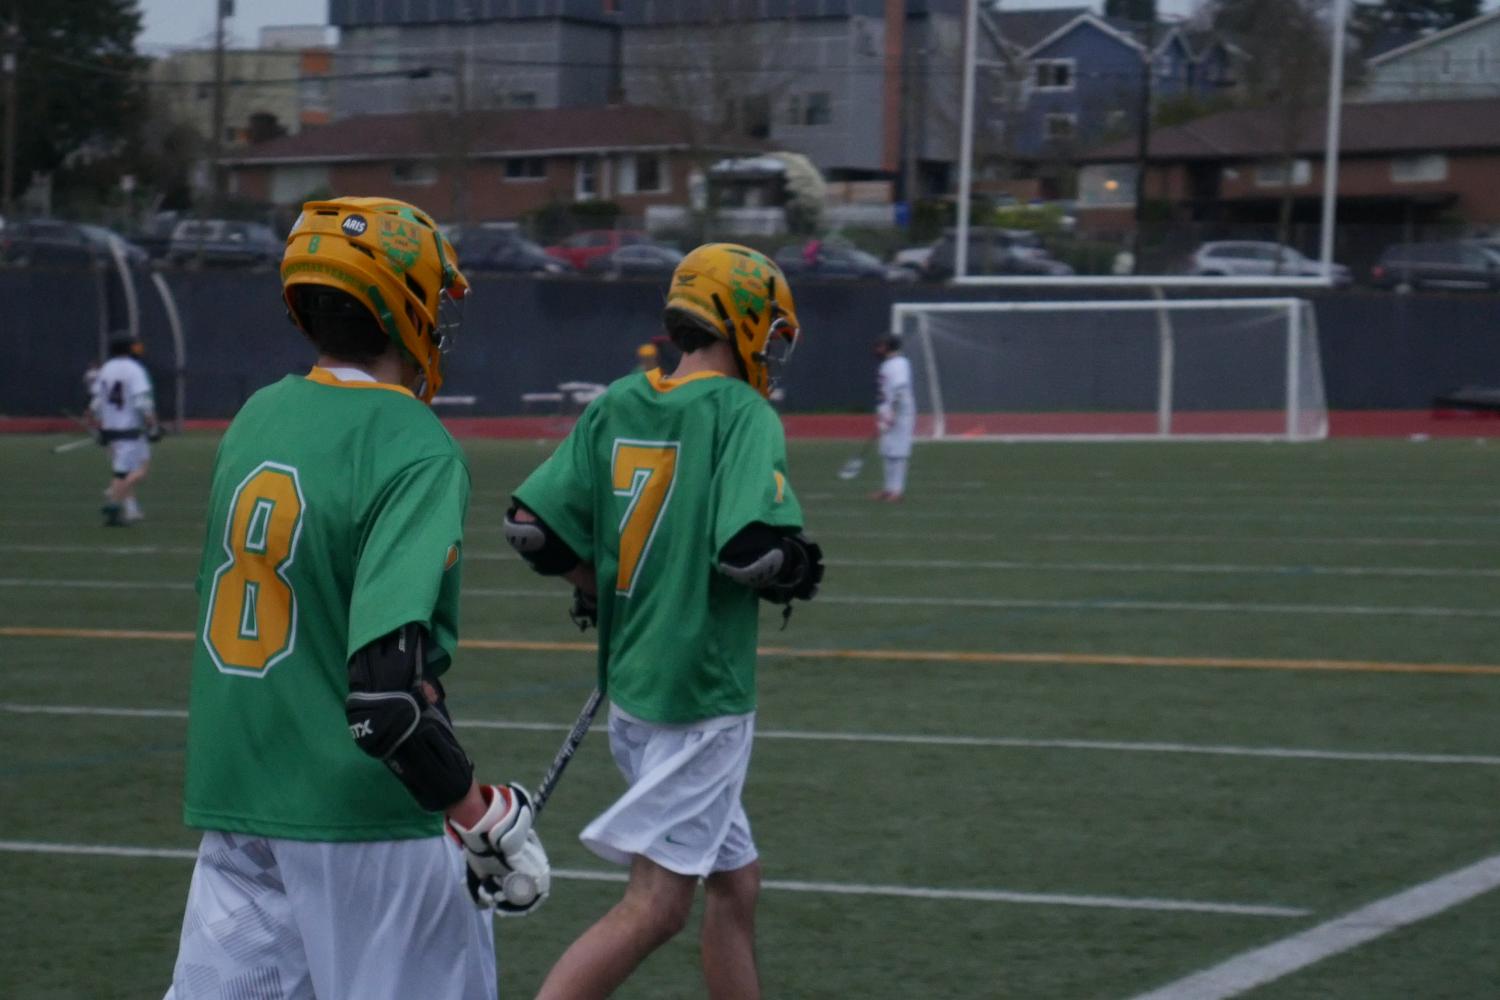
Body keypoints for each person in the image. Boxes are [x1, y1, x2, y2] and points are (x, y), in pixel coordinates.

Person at [164, 196, 549, 1000]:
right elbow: (385, 697)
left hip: (238, 795)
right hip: (355, 814)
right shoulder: (410, 441)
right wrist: (477, 815)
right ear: (403, 304)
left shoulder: (259, 415)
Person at [505, 243, 824, 1000]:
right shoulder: (740, 411)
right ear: (742, 322)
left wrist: (597, 585)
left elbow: (532, 527)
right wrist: (801, 568)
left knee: (735, 882)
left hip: (637, 689)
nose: (771, 355)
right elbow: (749, 552)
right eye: (769, 333)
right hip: (698, 694)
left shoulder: (621, 398)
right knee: (656, 906)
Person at [89, 334, 162, 526]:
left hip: (110, 429)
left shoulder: (106, 369)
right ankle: (114, 499)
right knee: (131, 472)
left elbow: (96, 403)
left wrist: (98, 426)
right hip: (129, 429)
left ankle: (124, 506)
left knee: (123, 470)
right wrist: (153, 425)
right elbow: (142, 402)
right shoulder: (134, 369)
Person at [872, 333, 915, 502]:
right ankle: (889, 489)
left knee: (898, 452)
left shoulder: (898, 364)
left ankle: (897, 490)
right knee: (888, 450)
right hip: (889, 412)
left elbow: (900, 390)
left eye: (881, 346)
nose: (877, 349)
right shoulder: (888, 364)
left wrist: (893, 413)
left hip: (899, 414)